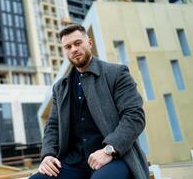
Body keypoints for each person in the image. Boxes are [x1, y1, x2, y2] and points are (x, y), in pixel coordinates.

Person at [29, 24, 149, 179]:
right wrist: (48, 154)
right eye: (68, 46)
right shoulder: (60, 87)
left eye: (78, 43)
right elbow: (52, 126)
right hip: (73, 162)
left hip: (114, 157)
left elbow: (134, 117)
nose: (73, 49)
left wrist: (109, 150)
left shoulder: (117, 74)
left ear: (89, 43)